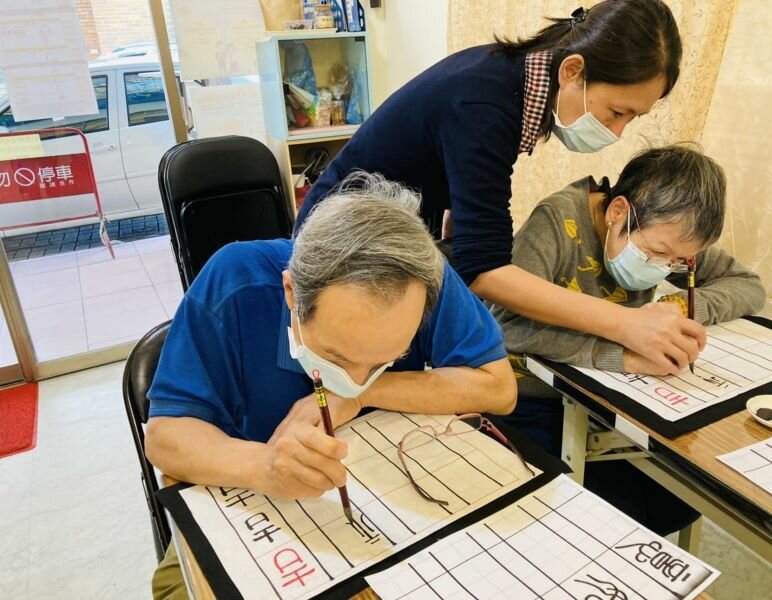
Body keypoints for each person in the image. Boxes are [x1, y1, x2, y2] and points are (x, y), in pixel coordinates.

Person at [145, 173, 517, 598]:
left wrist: (358, 396)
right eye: (338, 359)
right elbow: (165, 436)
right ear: (290, 292)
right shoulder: (235, 280)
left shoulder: (422, 273)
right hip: (248, 498)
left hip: (390, 494)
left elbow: (498, 388)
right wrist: (262, 466)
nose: (357, 377)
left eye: (385, 361)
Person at [294, 0, 706, 376]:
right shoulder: (486, 105)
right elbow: (485, 270)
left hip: (388, 235)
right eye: (617, 112)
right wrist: (627, 323)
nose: (616, 132)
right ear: (573, 71)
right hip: (341, 246)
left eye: (632, 118)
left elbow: (455, 186)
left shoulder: (509, 80)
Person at [490, 144, 766, 534]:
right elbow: (503, 327)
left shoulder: (674, 231)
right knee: (617, 515)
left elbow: (749, 286)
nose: (665, 266)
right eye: (657, 252)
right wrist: (619, 355)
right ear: (618, 211)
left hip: (610, 404)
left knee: (679, 504)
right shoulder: (556, 221)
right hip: (531, 396)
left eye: (677, 262)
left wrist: (678, 307)